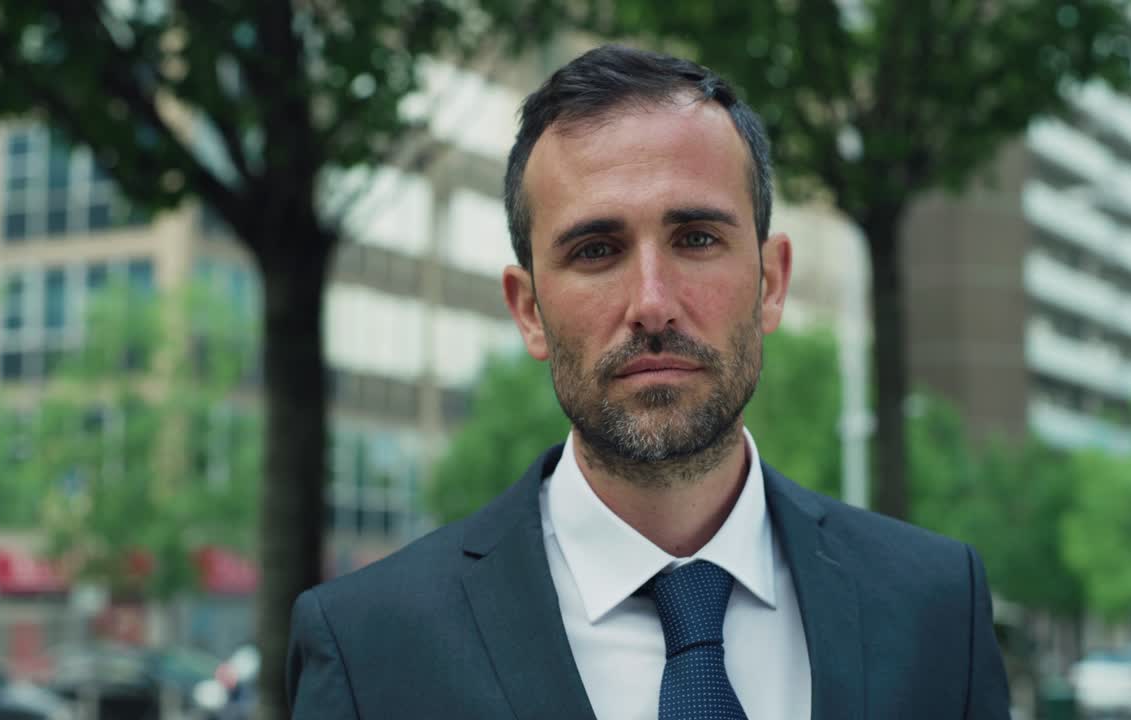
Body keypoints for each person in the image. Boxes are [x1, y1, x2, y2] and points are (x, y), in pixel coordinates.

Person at [286, 45, 1011, 719]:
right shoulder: (369, 648)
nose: (653, 303)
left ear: (772, 282)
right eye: (596, 250)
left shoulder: (937, 607)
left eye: (697, 239)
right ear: (528, 309)